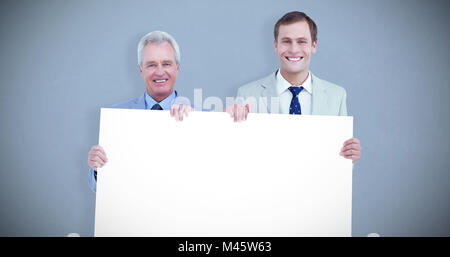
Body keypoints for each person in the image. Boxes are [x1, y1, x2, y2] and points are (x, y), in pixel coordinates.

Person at [227, 11, 361, 163]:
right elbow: (235, 154)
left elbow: (339, 165)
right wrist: (225, 127)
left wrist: (349, 157)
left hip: (317, 185)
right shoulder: (247, 94)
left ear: (314, 46)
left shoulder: (336, 96)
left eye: (302, 41)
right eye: (286, 41)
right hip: (266, 185)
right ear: (275, 46)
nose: (293, 49)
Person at [87, 31, 191, 192]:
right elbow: (97, 187)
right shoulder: (116, 119)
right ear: (141, 69)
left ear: (177, 67)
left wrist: (237, 122)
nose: (159, 72)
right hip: (134, 214)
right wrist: (97, 168)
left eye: (166, 64)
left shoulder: (203, 118)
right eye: (151, 65)